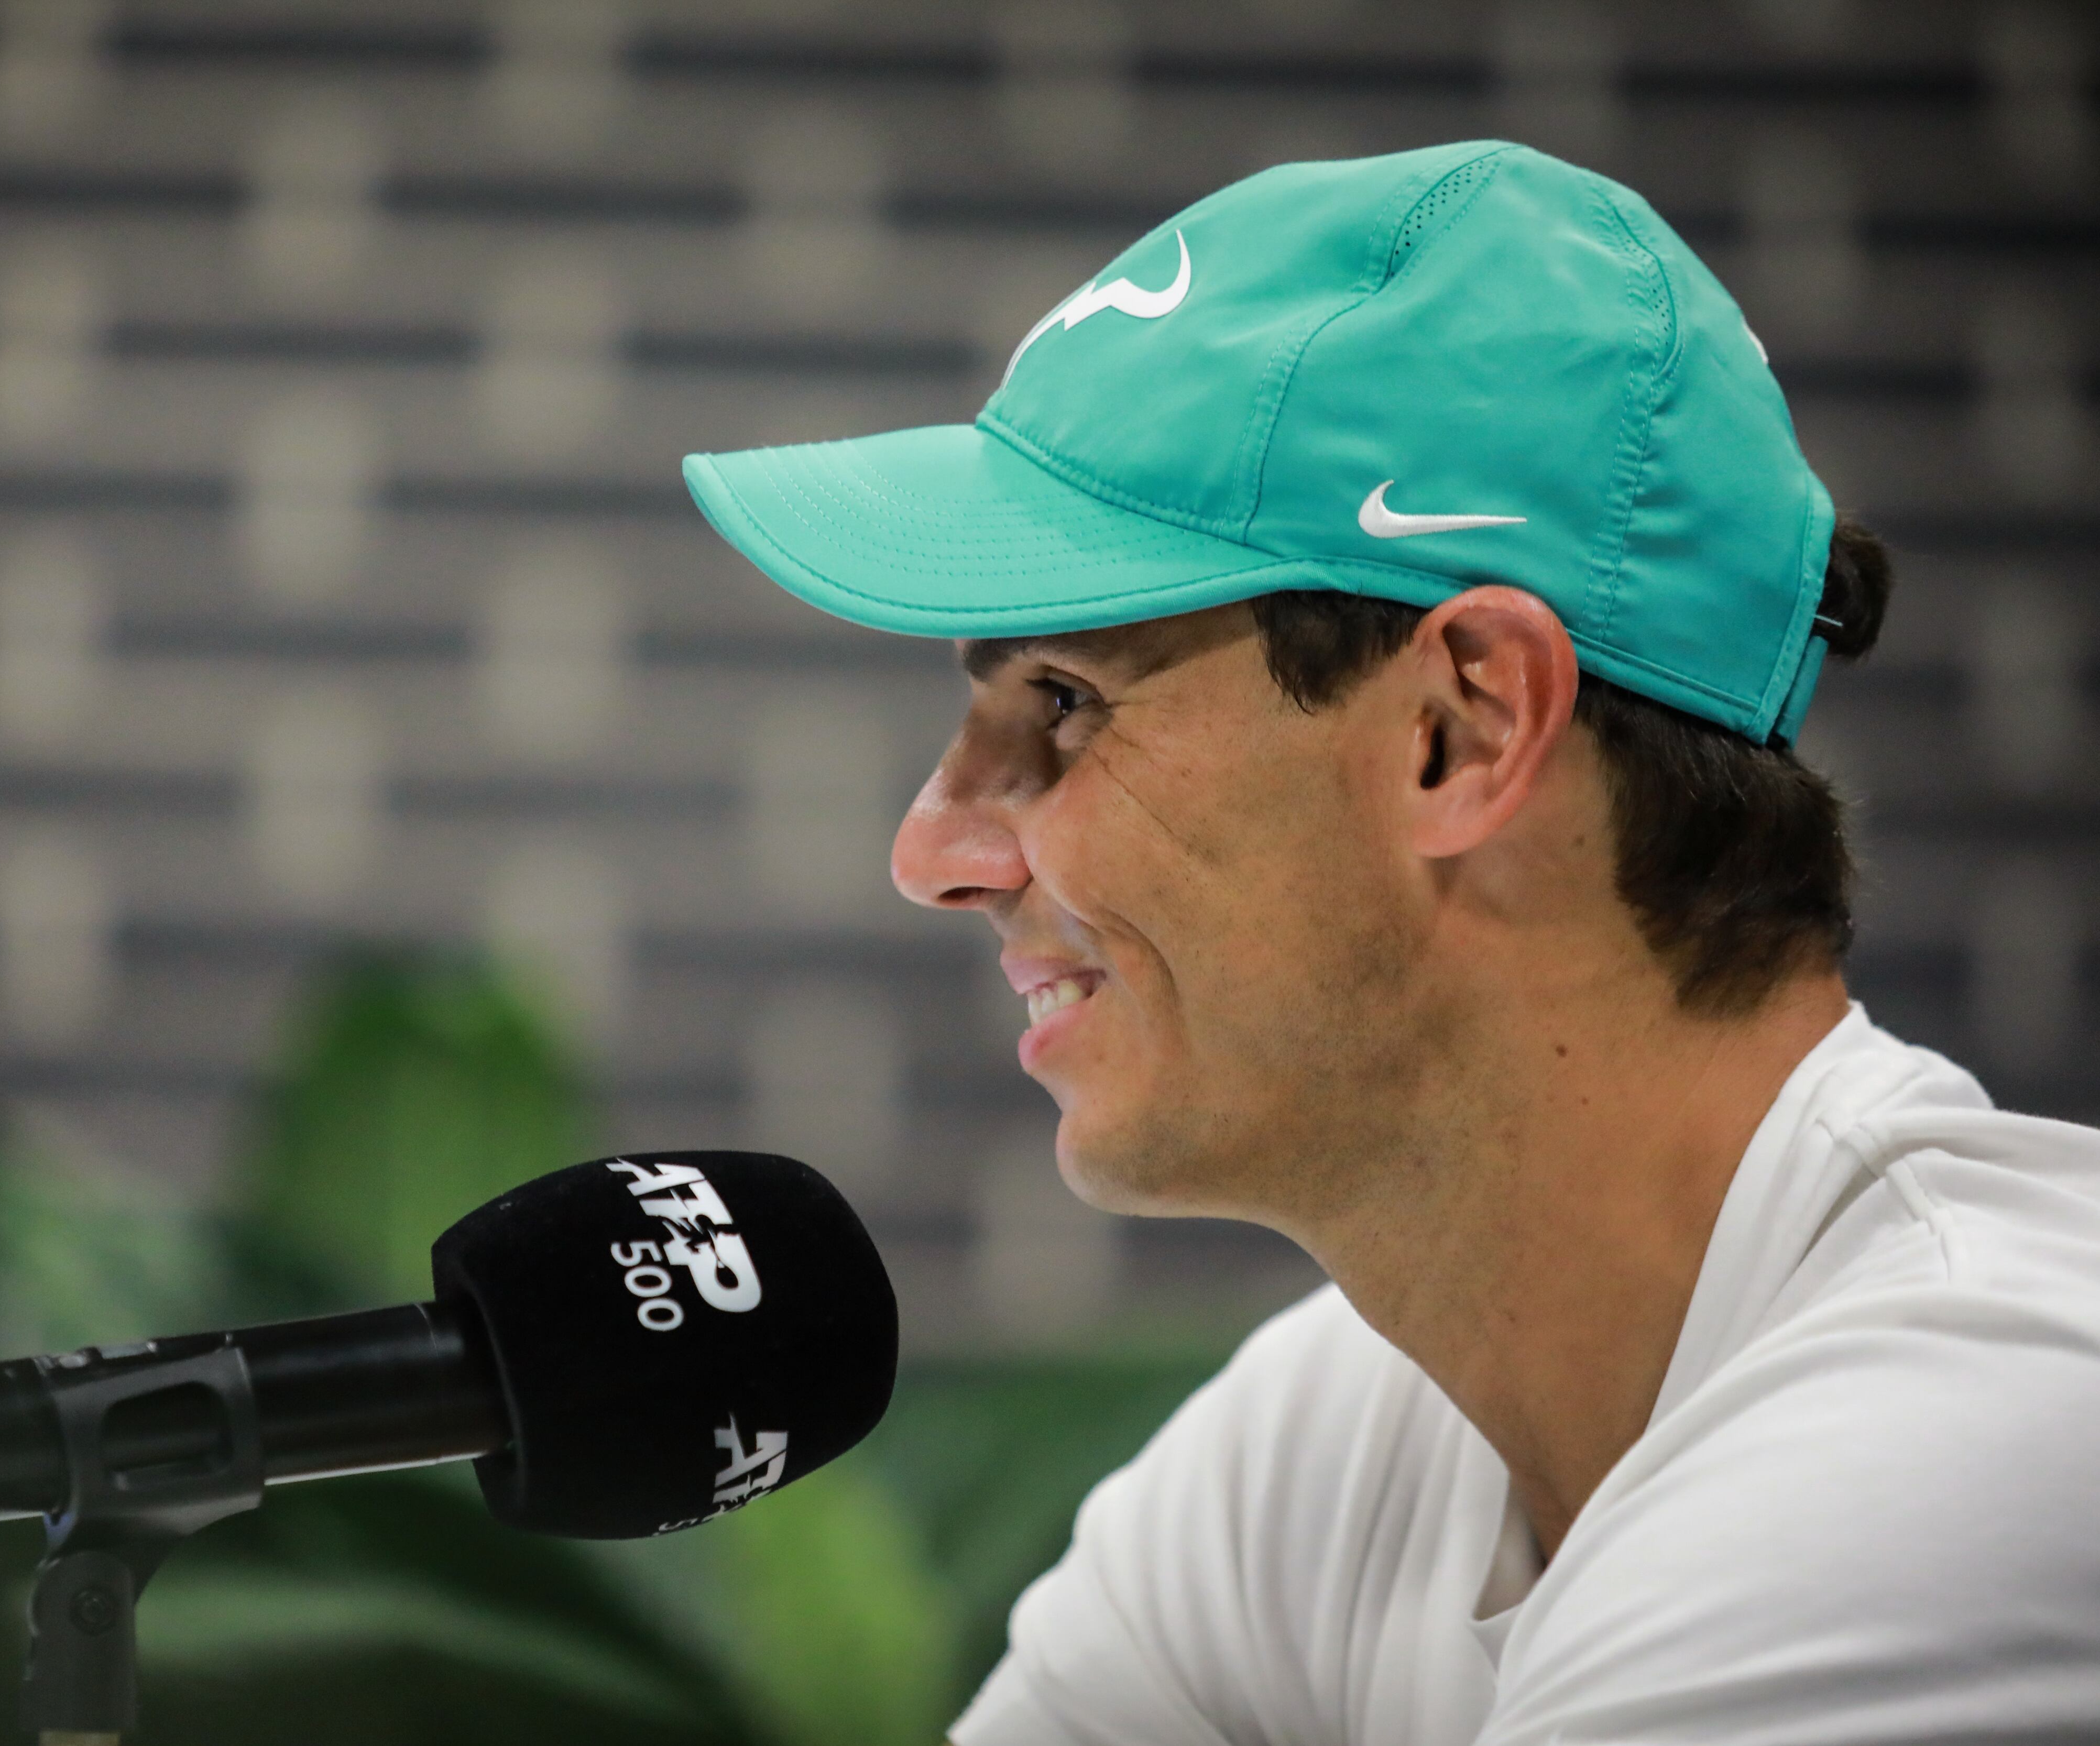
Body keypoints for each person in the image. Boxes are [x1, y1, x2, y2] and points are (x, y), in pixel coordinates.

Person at [683, 141, 2100, 1745]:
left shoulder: (1954, 1459)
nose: (931, 852)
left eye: (1067, 705)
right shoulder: (1323, 1458)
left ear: (1463, 728)